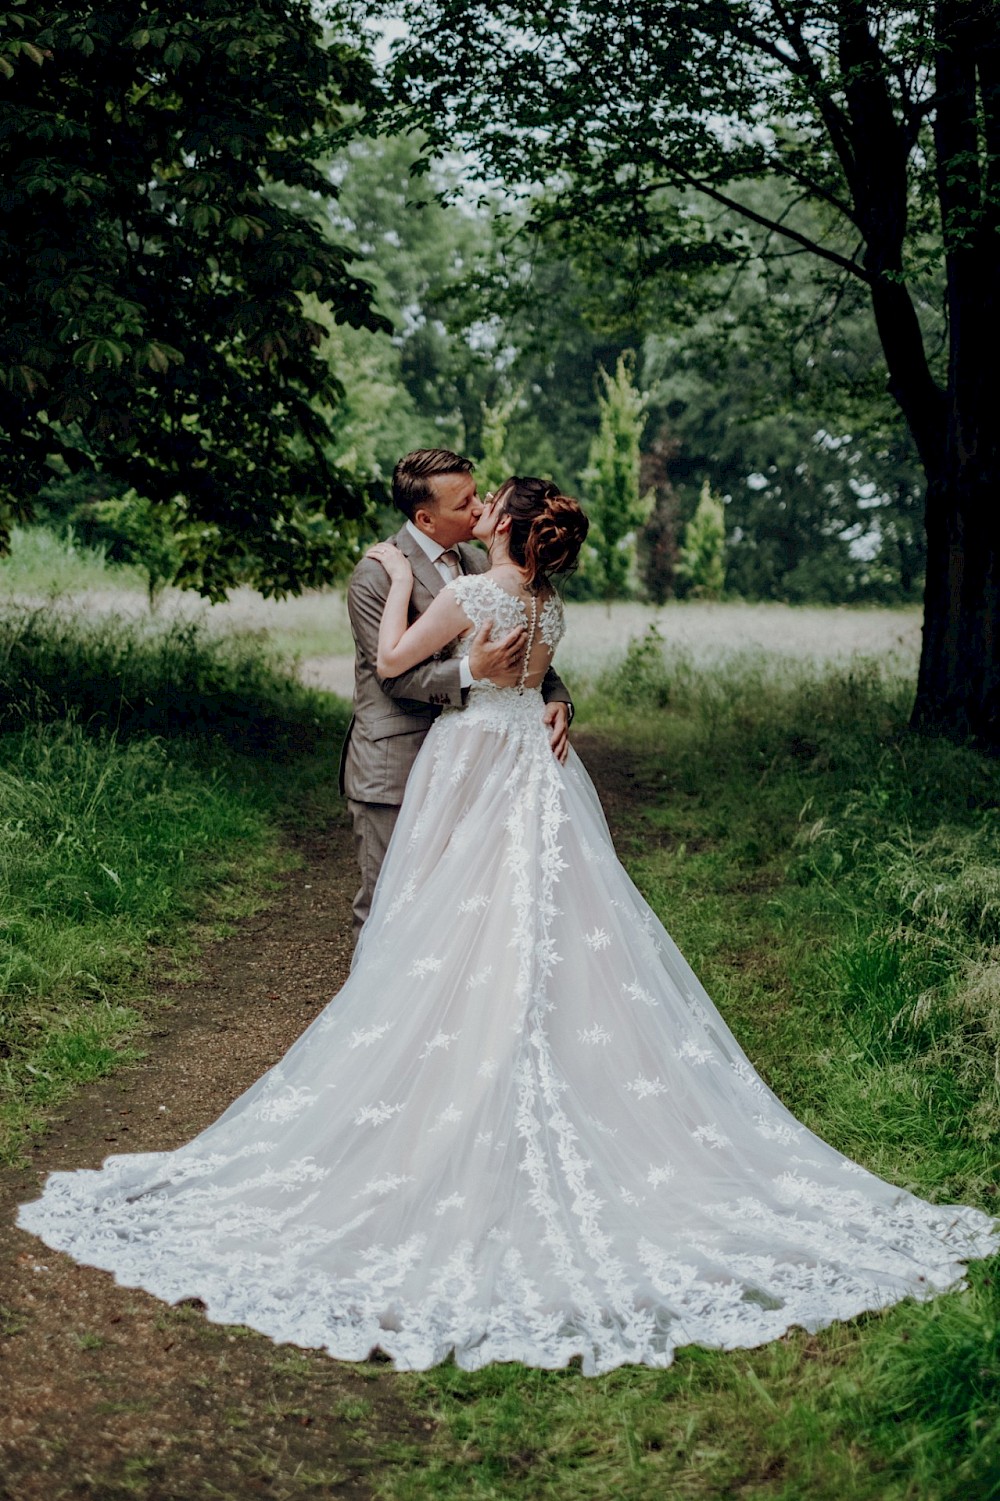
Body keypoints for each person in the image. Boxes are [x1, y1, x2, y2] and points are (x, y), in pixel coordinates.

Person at [17, 477, 998, 1376]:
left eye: (494, 506)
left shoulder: (474, 593)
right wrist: (540, 698)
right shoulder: (546, 603)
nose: (479, 508)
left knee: (451, 921)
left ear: (509, 530)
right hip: (534, 760)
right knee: (539, 917)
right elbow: (529, 681)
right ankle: (510, 1053)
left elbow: (395, 659)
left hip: (475, 760)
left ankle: (453, 1080)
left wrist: (401, 579)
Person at [340, 447, 572, 936]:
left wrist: (555, 695)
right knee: (390, 903)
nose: (479, 508)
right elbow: (392, 675)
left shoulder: (482, 562)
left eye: (478, 494)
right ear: (425, 517)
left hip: (480, 759)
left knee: (469, 906)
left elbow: (524, 638)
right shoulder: (377, 575)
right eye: (464, 502)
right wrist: (472, 670)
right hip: (398, 760)